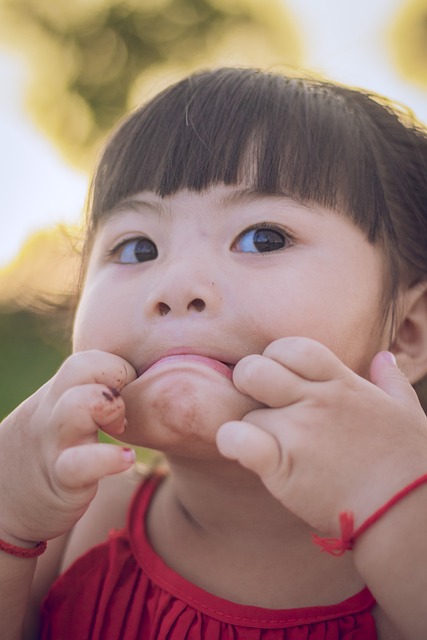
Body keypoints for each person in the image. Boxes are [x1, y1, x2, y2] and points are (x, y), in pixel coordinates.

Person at [1, 67, 427, 640]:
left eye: (263, 238)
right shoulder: (75, 523)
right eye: (137, 247)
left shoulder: (406, 557)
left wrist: (396, 501)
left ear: (406, 333)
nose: (176, 285)